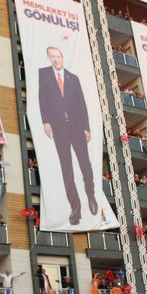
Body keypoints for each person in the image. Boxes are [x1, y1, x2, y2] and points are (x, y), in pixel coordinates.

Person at [38, 46, 96, 225]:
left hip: (77, 127)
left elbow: (82, 104)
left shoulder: (73, 78)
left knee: (85, 164)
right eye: (52, 57)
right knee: (66, 168)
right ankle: (75, 208)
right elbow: (43, 98)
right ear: (49, 58)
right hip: (59, 128)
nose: (56, 59)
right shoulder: (44, 74)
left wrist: (86, 127)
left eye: (58, 56)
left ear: (62, 57)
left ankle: (91, 197)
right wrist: (46, 121)